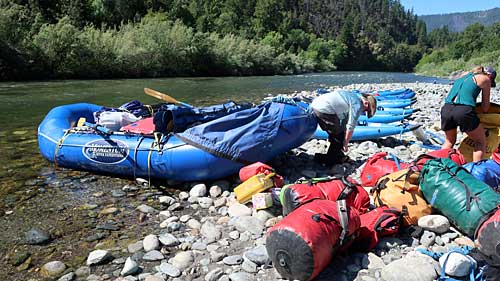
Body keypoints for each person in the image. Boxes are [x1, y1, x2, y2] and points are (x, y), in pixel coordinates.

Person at [441, 66, 497, 162]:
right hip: (463, 110)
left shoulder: (464, 76)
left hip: (447, 109)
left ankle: (440, 166)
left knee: (449, 141)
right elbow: (485, 107)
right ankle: (475, 170)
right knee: (480, 141)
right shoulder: (485, 79)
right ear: (490, 75)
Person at [311, 89, 377, 165]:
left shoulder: (353, 97)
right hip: (324, 109)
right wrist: (345, 144)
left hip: (317, 105)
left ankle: (338, 156)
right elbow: (351, 126)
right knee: (338, 137)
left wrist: (344, 135)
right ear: (366, 103)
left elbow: (344, 121)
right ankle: (326, 161)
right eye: (367, 110)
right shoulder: (358, 104)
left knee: (338, 134)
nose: (364, 111)